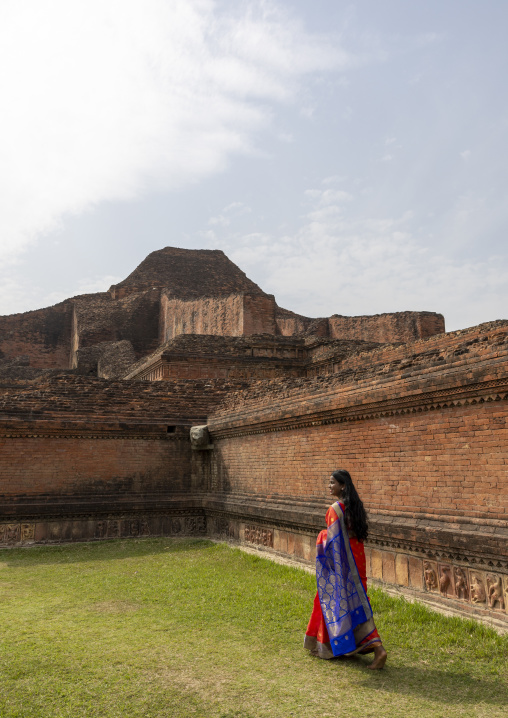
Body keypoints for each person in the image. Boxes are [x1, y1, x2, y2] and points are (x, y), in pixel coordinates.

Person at [304, 469, 387, 669]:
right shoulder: (354, 507)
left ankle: (377, 649)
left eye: (332, 483)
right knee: (357, 606)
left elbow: (332, 542)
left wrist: (321, 535)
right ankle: (353, 647)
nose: (329, 486)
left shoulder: (335, 509)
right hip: (357, 566)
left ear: (342, 485)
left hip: (343, 569)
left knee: (334, 602)